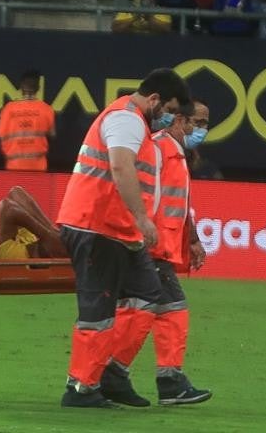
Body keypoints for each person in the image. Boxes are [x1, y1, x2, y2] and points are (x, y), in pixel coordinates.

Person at [56, 68, 190, 409]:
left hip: (117, 228)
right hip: (95, 225)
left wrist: (135, 225)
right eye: (170, 110)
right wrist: (142, 218)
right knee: (98, 310)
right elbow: (120, 167)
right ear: (154, 99)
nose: (170, 118)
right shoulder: (126, 120)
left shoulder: (136, 124)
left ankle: (111, 374)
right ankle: (81, 388)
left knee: (147, 293)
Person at [107, 102, 211, 406]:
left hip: (159, 246)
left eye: (206, 124)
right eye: (199, 122)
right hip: (148, 246)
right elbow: (143, 195)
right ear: (180, 119)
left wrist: (192, 239)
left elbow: (178, 203)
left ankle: (166, 380)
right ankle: (115, 372)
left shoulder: (175, 153)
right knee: (156, 308)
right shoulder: (159, 149)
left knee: (168, 308)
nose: (203, 130)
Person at [0, 70, 55, 172]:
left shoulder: (8, 109)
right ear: (38, 88)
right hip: (38, 167)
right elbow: (52, 134)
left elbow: (1, 134)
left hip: (13, 166)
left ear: (21, 87)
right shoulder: (46, 109)